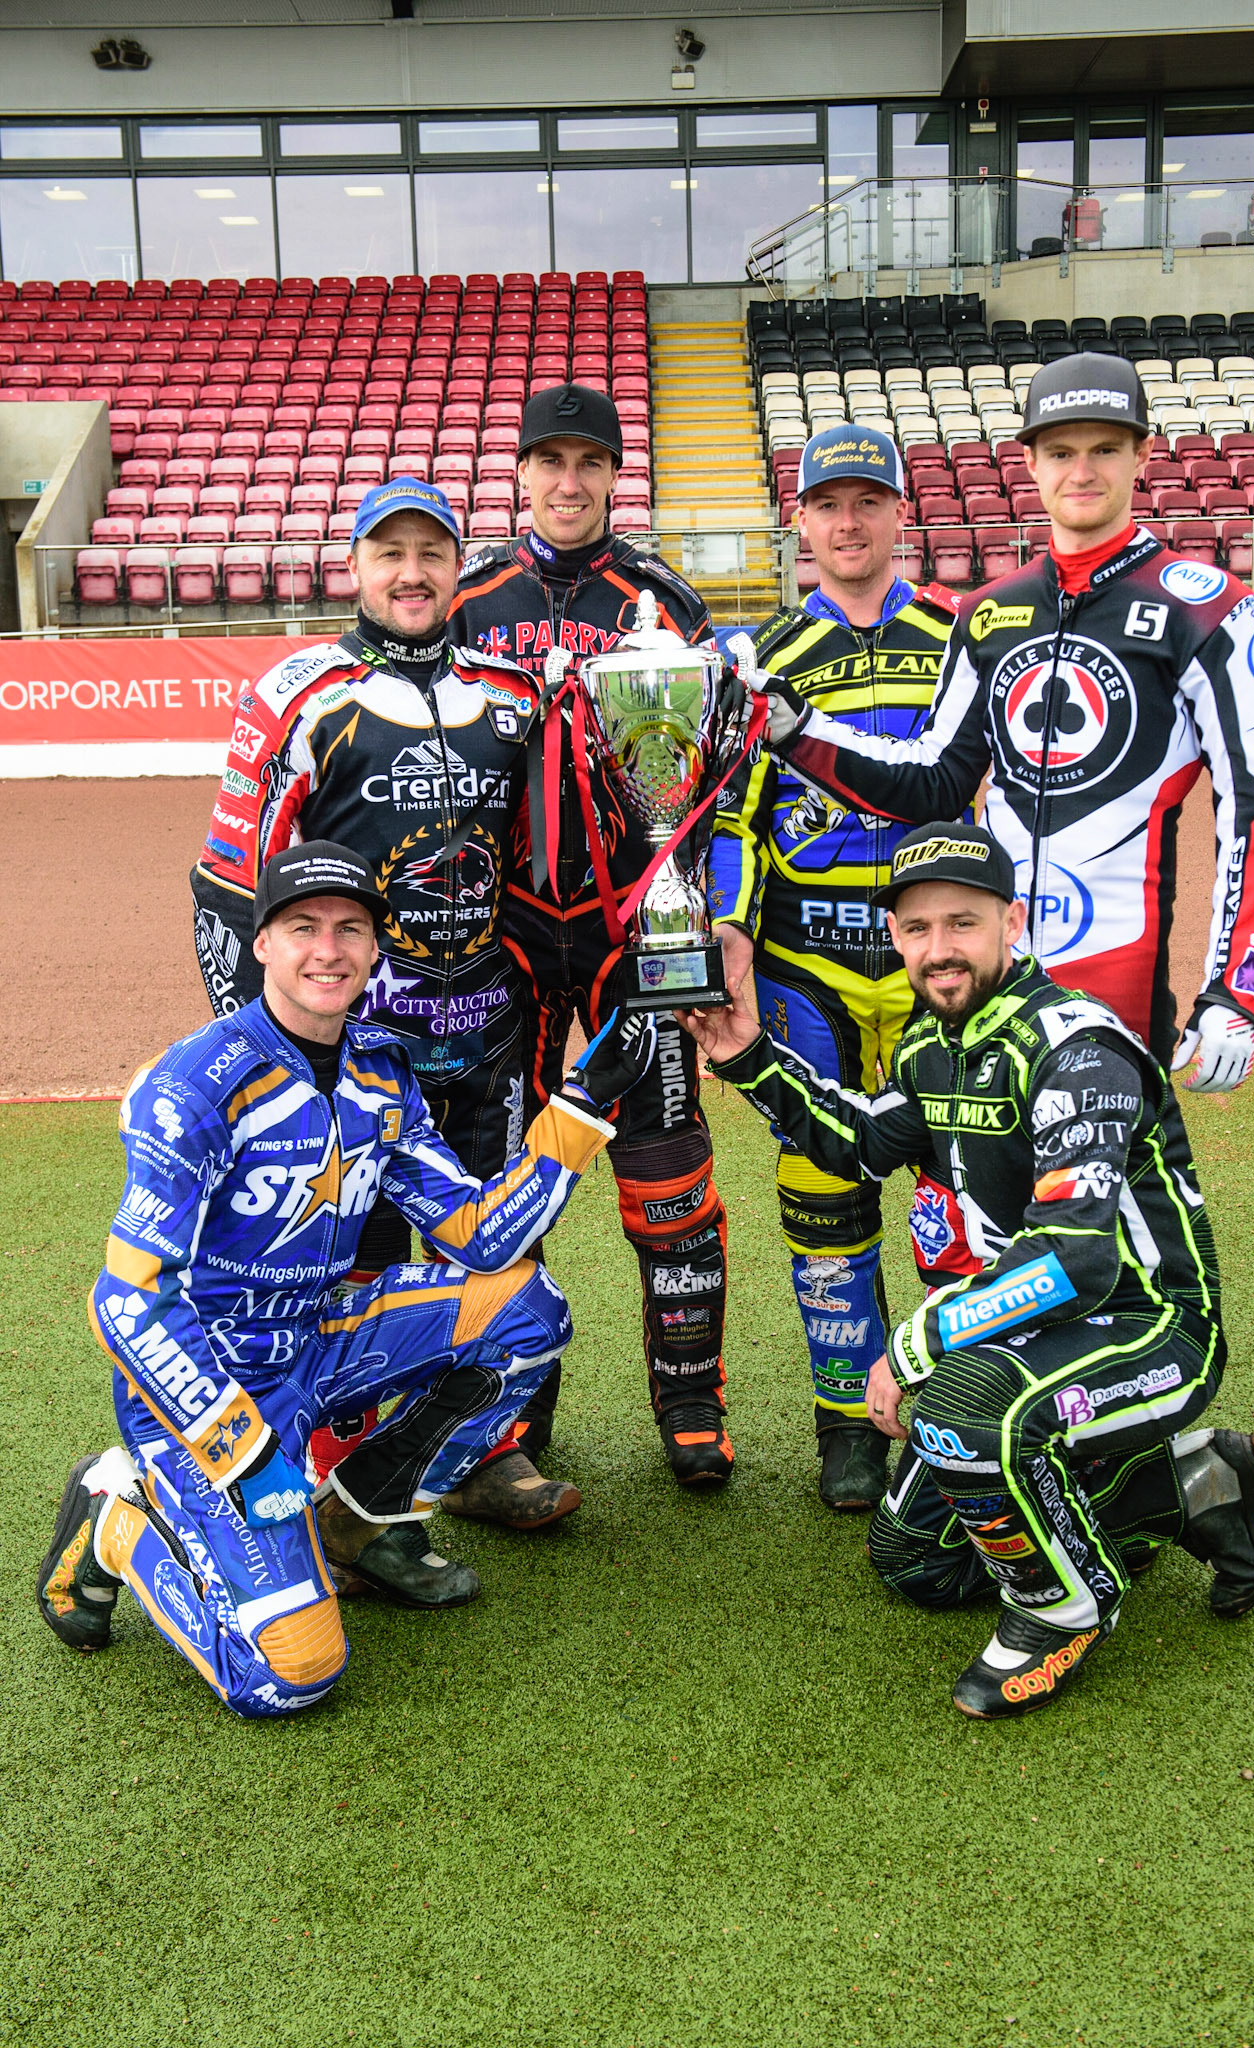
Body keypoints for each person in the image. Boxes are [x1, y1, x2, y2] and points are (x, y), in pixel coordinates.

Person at [38, 842, 655, 1719]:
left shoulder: (380, 1070)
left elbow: (479, 1239)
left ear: (374, 951)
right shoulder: (194, 1087)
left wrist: (583, 1108)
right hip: (206, 1399)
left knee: (525, 1310)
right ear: (261, 944)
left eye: (349, 930)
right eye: (302, 928)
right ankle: (121, 1515)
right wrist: (244, 1456)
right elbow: (125, 1302)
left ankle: (352, 1524)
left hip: (314, 1342)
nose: (327, 949)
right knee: (289, 1678)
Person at [680, 822, 1254, 1718]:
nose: (938, 950)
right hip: (1028, 1334)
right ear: (896, 940)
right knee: (912, 1560)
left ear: (1013, 922)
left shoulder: (1078, 1047)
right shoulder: (929, 1046)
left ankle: (1062, 1610)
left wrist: (912, 1348)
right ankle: (1189, 1484)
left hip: (1152, 1328)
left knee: (960, 1411)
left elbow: (1075, 1258)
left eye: (961, 923)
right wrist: (747, 1056)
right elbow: (866, 1146)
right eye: (917, 930)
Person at [191, 478, 575, 1533]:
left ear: (460, 566)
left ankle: (493, 1454)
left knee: (500, 1241)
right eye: (389, 552)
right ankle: (338, 1475)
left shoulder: (512, 692)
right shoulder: (301, 690)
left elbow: (556, 859)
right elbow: (230, 882)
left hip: (490, 1031)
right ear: (353, 565)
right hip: (353, 1042)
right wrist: (268, 1055)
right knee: (347, 1260)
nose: (412, 573)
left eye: (432, 552)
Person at [760, 353, 1254, 1091]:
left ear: (1141, 455)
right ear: (1030, 463)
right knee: (972, 1198)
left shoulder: (1208, 608)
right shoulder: (986, 612)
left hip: (1119, 980)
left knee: (1097, 1203)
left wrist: (1233, 989)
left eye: (1104, 448)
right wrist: (794, 728)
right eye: (1060, 451)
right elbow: (933, 780)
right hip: (990, 973)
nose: (1081, 471)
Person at [450, 382, 737, 1488]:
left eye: (589, 464)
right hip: (503, 932)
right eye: (548, 462)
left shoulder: (660, 596)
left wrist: (699, 925)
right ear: (519, 473)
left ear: (618, 476)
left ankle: (691, 1403)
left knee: (666, 1172)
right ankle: (511, 1415)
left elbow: (710, 770)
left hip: (632, 934)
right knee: (498, 1178)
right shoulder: (469, 595)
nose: (568, 483)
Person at [708, 424, 965, 1511]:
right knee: (823, 1200)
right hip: (807, 965)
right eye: (828, 504)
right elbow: (727, 818)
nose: (848, 523)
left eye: (868, 501)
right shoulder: (755, 659)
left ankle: (957, 1407)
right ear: (799, 521)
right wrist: (725, 933)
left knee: (963, 1201)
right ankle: (846, 1426)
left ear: (901, 513)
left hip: (937, 972)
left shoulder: (961, 636)